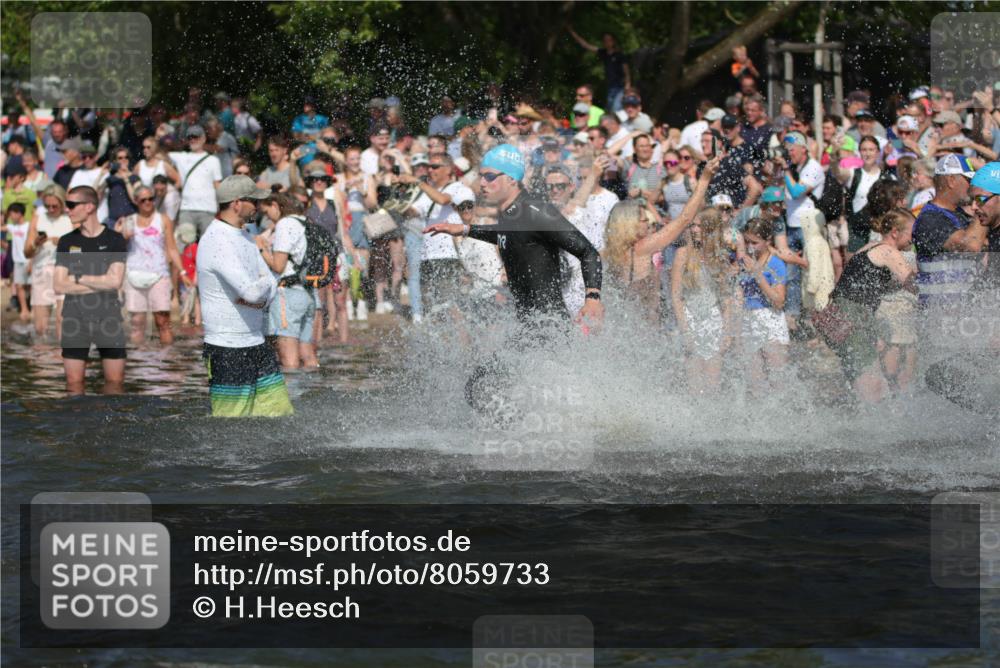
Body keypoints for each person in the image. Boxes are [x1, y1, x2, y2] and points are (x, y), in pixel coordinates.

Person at [424, 144, 604, 417]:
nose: (481, 183)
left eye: (489, 176)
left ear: (511, 179)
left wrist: (593, 298)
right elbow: (509, 235)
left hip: (548, 328)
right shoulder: (512, 213)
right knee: (488, 388)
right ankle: (525, 436)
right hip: (530, 327)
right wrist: (463, 229)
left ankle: (530, 437)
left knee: (484, 386)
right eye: (481, 176)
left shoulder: (535, 210)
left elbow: (588, 251)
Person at [197, 175, 293, 417]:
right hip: (227, 347)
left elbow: (269, 280)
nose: (259, 206)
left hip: (256, 342)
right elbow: (251, 292)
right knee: (231, 426)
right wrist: (259, 291)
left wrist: (259, 292)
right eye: (253, 200)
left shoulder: (246, 236)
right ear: (237, 203)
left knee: (279, 415)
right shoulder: (216, 240)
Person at [819, 209, 917, 402]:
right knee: (874, 385)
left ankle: (857, 419)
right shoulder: (888, 251)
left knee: (857, 372)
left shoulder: (869, 246)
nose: (914, 239)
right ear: (895, 233)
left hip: (839, 314)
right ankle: (873, 427)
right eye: (911, 234)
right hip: (852, 316)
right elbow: (914, 284)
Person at [52, 186, 128, 395]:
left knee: (115, 384)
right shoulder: (67, 241)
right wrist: (98, 283)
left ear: (89, 207)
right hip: (74, 319)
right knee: (74, 385)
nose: (67, 210)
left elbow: (115, 281)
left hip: (108, 318)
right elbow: (58, 285)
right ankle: (76, 426)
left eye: (71, 205)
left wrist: (77, 278)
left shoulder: (114, 239)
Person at [672, 207, 738, 394]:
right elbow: (676, 296)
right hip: (690, 318)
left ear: (711, 229)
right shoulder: (683, 254)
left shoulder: (719, 256)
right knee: (694, 386)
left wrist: (727, 331)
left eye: (699, 226)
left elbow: (725, 298)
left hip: (713, 320)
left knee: (712, 386)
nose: (694, 230)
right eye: (693, 225)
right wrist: (685, 329)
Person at [912, 154, 990, 309]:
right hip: (937, 318)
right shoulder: (929, 219)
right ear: (951, 180)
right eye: (969, 180)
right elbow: (971, 246)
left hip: (963, 315)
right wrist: (985, 203)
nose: (973, 186)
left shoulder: (961, 215)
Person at [402, 152, 475, 318]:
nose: (430, 170)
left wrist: (417, 182)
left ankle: (463, 344)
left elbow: (443, 200)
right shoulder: (430, 191)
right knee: (434, 308)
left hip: (448, 256)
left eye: (435, 166)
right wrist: (396, 200)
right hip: (427, 256)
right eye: (429, 166)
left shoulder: (458, 188)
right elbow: (412, 212)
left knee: (453, 307)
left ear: (448, 169)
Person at [117, 185, 188, 345]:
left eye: (151, 199)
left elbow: (171, 248)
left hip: (159, 274)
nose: (148, 202)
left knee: (162, 321)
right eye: (143, 200)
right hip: (134, 273)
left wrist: (183, 272)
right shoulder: (129, 221)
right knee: (137, 323)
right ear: (136, 201)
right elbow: (119, 250)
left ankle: (166, 361)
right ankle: (139, 363)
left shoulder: (163, 219)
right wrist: (122, 237)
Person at [256, 191, 319, 371]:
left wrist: (261, 249)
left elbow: (278, 266)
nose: (268, 219)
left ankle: (293, 397)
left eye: (268, 213)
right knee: (307, 355)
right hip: (308, 295)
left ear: (275, 206)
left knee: (288, 358)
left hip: (288, 295)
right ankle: (314, 394)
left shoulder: (285, 224)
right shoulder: (305, 222)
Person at [306, 169, 358, 343]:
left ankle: (344, 343)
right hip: (316, 257)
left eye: (322, 179)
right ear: (310, 182)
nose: (318, 182)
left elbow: (343, 232)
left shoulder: (334, 203)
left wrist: (355, 258)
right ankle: (317, 345)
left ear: (327, 182)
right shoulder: (306, 204)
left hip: (336, 255)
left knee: (341, 301)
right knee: (318, 304)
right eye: (315, 179)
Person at [738, 217, 789, 395]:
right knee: (754, 380)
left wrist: (757, 274)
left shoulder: (776, 264)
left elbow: (779, 301)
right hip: (748, 319)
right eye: (747, 241)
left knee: (777, 380)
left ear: (767, 241)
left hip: (770, 319)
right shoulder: (746, 261)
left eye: (754, 242)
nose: (750, 246)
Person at [24, 185, 74, 339]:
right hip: (41, 273)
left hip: (65, 273)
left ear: (62, 204)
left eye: (55, 206)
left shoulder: (71, 219)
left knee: (62, 322)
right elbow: (27, 253)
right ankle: (43, 359)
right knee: (40, 327)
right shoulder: (38, 218)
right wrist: (36, 243)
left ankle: (62, 359)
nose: (51, 209)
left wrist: (64, 243)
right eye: (47, 206)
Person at [169, 125, 223, 241]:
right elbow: (160, 154)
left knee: (209, 245)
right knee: (185, 244)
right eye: (190, 137)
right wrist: (161, 136)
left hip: (208, 209)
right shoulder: (181, 157)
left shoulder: (213, 160)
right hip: (186, 209)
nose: (193, 139)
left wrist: (223, 208)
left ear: (203, 138)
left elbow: (217, 186)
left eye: (196, 136)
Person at [566, 28, 630, 112]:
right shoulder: (603, 53)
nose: (607, 42)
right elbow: (586, 45)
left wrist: (628, 85)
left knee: (616, 108)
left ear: (613, 41)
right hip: (610, 87)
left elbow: (626, 71)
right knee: (611, 109)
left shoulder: (619, 55)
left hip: (620, 86)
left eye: (609, 40)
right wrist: (571, 31)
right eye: (605, 40)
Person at [4, 203, 30, 321]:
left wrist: (31, 261)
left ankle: (33, 309)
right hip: (18, 262)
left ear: (19, 213)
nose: (10, 216)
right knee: (19, 286)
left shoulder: (29, 226)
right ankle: (24, 309)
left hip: (28, 260)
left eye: (11, 214)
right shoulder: (13, 227)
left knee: (31, 286)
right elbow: (2, 227)